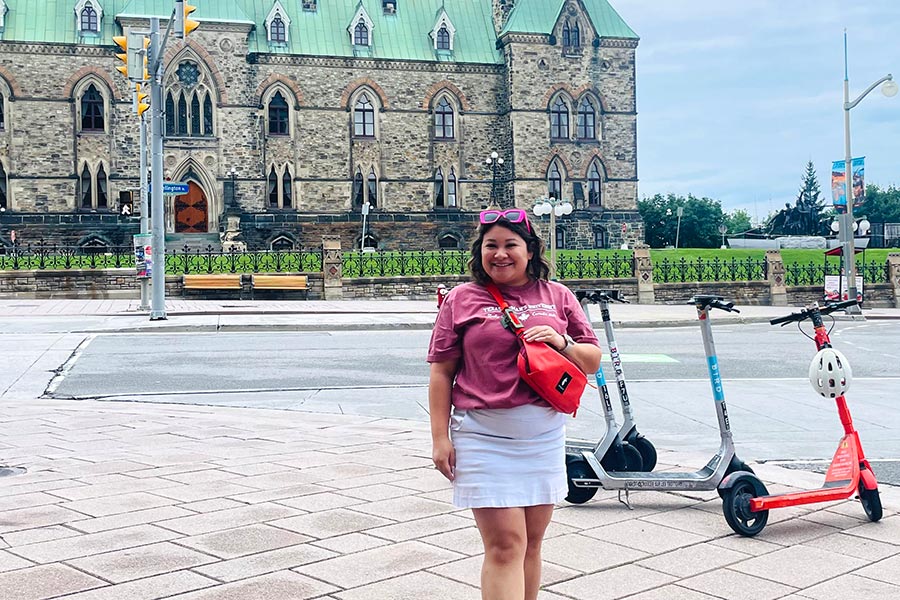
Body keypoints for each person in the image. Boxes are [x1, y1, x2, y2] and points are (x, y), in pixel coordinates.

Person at [427, 208, 602, 600]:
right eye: (491, 245)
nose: (500, 254)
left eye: (511, 244)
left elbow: (592, 359)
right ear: (480, 251)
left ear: (530, 250)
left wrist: (561, 342)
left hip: (543, 437)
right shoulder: (461, 299)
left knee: (532, 545)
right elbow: (441, 372)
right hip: (482, 436)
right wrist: (440, 438)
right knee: (506, 545)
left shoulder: (557, 295)